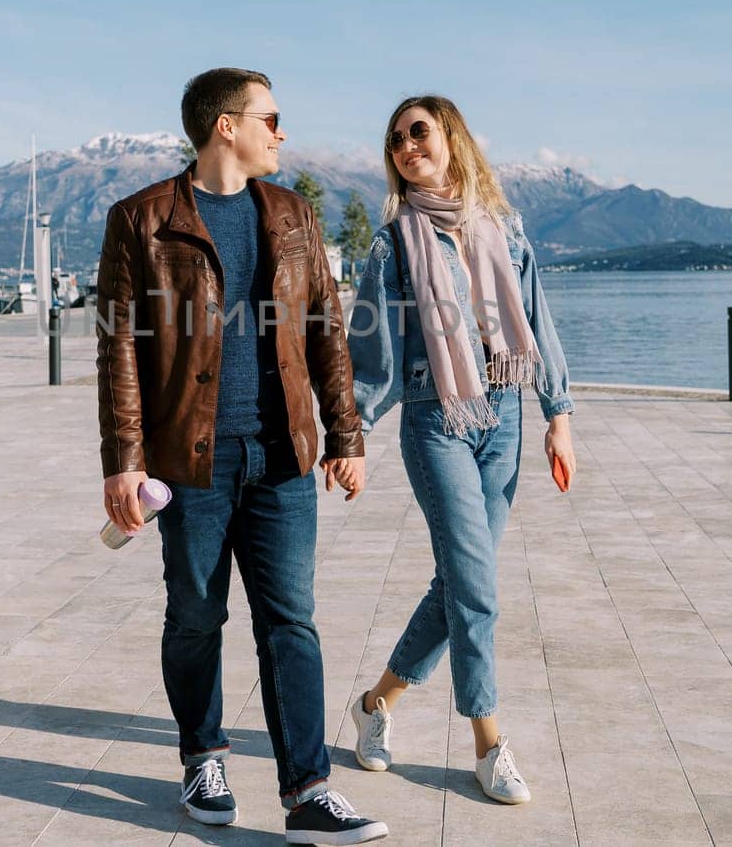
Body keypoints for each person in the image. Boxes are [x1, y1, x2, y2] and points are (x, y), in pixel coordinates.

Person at [96, 68, 388, 844]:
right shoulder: (142, 218)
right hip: (189, 459)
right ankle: (202, 757)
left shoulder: (293, 213)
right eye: (272, 117)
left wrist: (346, 436)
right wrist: (123, 460)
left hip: (283, 453)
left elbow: (326, 327)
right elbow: (118, 346)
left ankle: (310, 790)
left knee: (292, 618)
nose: (281, 132)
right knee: (196, 612)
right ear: (226, 125)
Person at [345, 94, 577, 806]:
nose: (406, 144)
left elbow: (536, 316)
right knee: (476, 583)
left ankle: (376, 702)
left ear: (450, 138)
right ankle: (488, 741)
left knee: (457, 582)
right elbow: (370, 347)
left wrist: (558, 413)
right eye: (395, 139)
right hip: (434, 417)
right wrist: (351, 427)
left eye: (418, 130)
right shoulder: (391, 243)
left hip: (503, 413)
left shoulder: (504, 228)